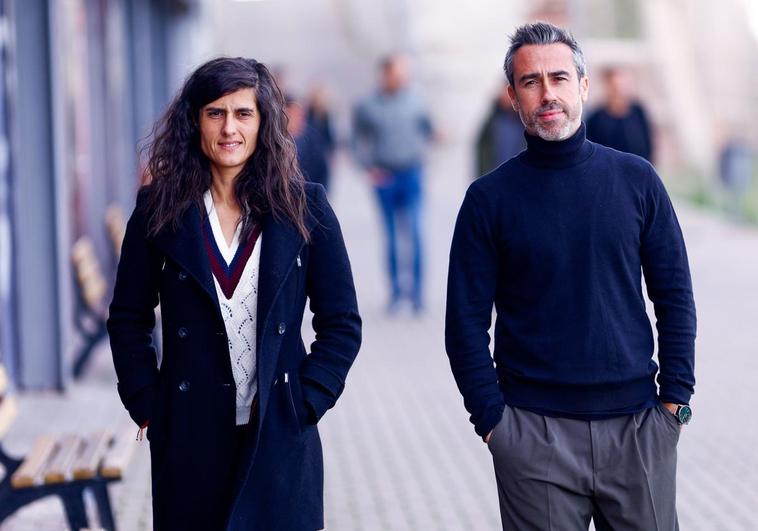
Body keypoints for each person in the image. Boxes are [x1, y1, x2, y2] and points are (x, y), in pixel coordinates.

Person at [445, 22, 696, 530]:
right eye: (530, 82)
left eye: (559, 77)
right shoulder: (488, 200)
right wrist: (493, 422)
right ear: (513, 98)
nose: (547, 93)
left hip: (638, 428)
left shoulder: (637, 180)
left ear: (582, 86)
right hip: (532, 435)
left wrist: (676, 403)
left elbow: (674, 296)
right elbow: (464, 324)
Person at [107, 57, 361, 531]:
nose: (230, 128)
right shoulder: (158, 210)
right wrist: (146, 403)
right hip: (189, 434)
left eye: (243, 113)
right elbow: (127, 317)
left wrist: (308, 401)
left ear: (263, 122)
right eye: (215, 113)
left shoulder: (305, 206)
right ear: (195, 122)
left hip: (278, 434)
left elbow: (342, 321)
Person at [353, 53, 434, 313]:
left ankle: (417, 294)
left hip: (412, 174)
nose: (402, 77)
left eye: (404, 73)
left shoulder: (416, 100)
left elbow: (429, 129)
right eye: (397, 73)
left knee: (415, 232)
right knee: (390, 236)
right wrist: (368, 167)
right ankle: (396, 293)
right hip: (385, 177)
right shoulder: (367, 105)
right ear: (385, 74)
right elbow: (356, 140)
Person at [586, 66, 653, 162]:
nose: (619, 91)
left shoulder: (638, 111)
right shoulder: (596, 118)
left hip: (639, 169)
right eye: (614, 86)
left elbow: (648, 143)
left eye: (623, 85)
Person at [474, 81, 525, 177]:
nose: (505, 95)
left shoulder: (526, 122)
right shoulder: (494, 120)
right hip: (495, 178)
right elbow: (482, 149)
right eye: (504, 90)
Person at [285, 95, 331, 192]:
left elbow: (322, 168)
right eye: (292, 115)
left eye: (299, 115)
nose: (297, 119)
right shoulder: (274, 141)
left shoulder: (312, 138)